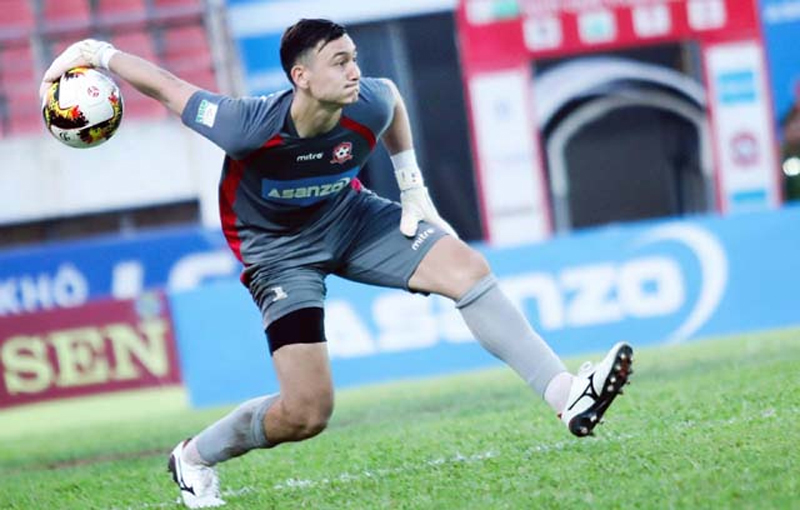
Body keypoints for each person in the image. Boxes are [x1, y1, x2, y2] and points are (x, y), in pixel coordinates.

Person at [40, 19, 633, 509]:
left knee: (467, 270)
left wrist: (413, 190)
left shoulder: (368, 100)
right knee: (306, 413)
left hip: (350, 217)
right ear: (301, 76)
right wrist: (97, 52)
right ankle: (193, 457)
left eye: (355, 58)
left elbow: (393, 101)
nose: (355, 71)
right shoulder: (246, 126)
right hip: (278, 254)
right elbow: (168, 87)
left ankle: (566, 394)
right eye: (340, 61)